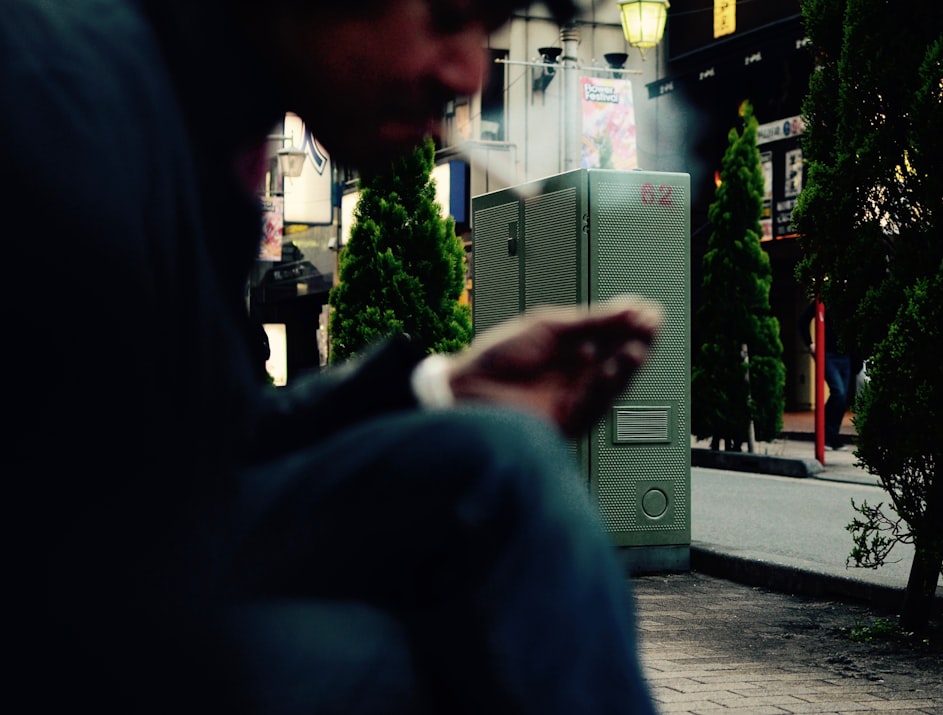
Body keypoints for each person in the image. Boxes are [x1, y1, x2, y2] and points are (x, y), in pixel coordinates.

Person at [4, 1, 662, 713]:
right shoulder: (61, 100)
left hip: (121, 551)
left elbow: (202, 434)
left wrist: (445, 386)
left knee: (499, 461)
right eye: (448, 14)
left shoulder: (190, 100)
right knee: (384, 654)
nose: (470, 72)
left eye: (491, 31)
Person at [798, 299, 855, 451]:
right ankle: (824, 432)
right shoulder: (823, 299)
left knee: (843, 398)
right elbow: (803, 320)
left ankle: (832, 437)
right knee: (838, 392)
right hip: (828, 354)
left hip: (846, 356)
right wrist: (810, 344)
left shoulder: (851, 301)